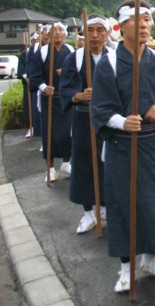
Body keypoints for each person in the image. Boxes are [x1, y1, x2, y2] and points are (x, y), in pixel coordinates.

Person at [92, 0, 155, 293]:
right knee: (123, 204)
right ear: (121, 26)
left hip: (153, 142)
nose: (144, 26)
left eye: (147, 21)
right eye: (138, 20)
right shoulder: (108, 63)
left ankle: (151, 259)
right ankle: (125, 267)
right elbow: (101, 108)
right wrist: (120, 121)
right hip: (121, 145)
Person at [59, 14, 111, 234]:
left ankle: (108, 208)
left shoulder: (115, 57)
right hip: (83, 120)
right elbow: (66, 88)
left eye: (100, 30)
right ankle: (89, 213)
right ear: (83, 33)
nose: (95, 35)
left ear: (107, 34)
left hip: (109, 122)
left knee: (108, 165)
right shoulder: (75, 58)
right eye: (90, 30)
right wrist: (79, 95)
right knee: (84, 165)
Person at [28, 22, 74, 183]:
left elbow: (77, 75)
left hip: (66, 99)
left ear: (65, 33)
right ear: (48, 34)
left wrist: (67, 73)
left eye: (61, 30)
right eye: (54, 30)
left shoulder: (71, 51)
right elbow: (34, 76)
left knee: (68, 133)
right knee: (50, 135)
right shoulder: (42, 51)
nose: (57, 33)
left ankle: (66, 163)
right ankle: (50, 169)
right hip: (49, 98)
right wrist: (43, 87)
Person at [18, 32, 39, 138]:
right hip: (30, 83)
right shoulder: (25, 53)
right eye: (34, 39)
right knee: (30, 106)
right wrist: (28, 79)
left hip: (41, 83)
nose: (36, 40)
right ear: (31, 40)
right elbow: (22, 70)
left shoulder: (43, 50)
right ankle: (31, 127)